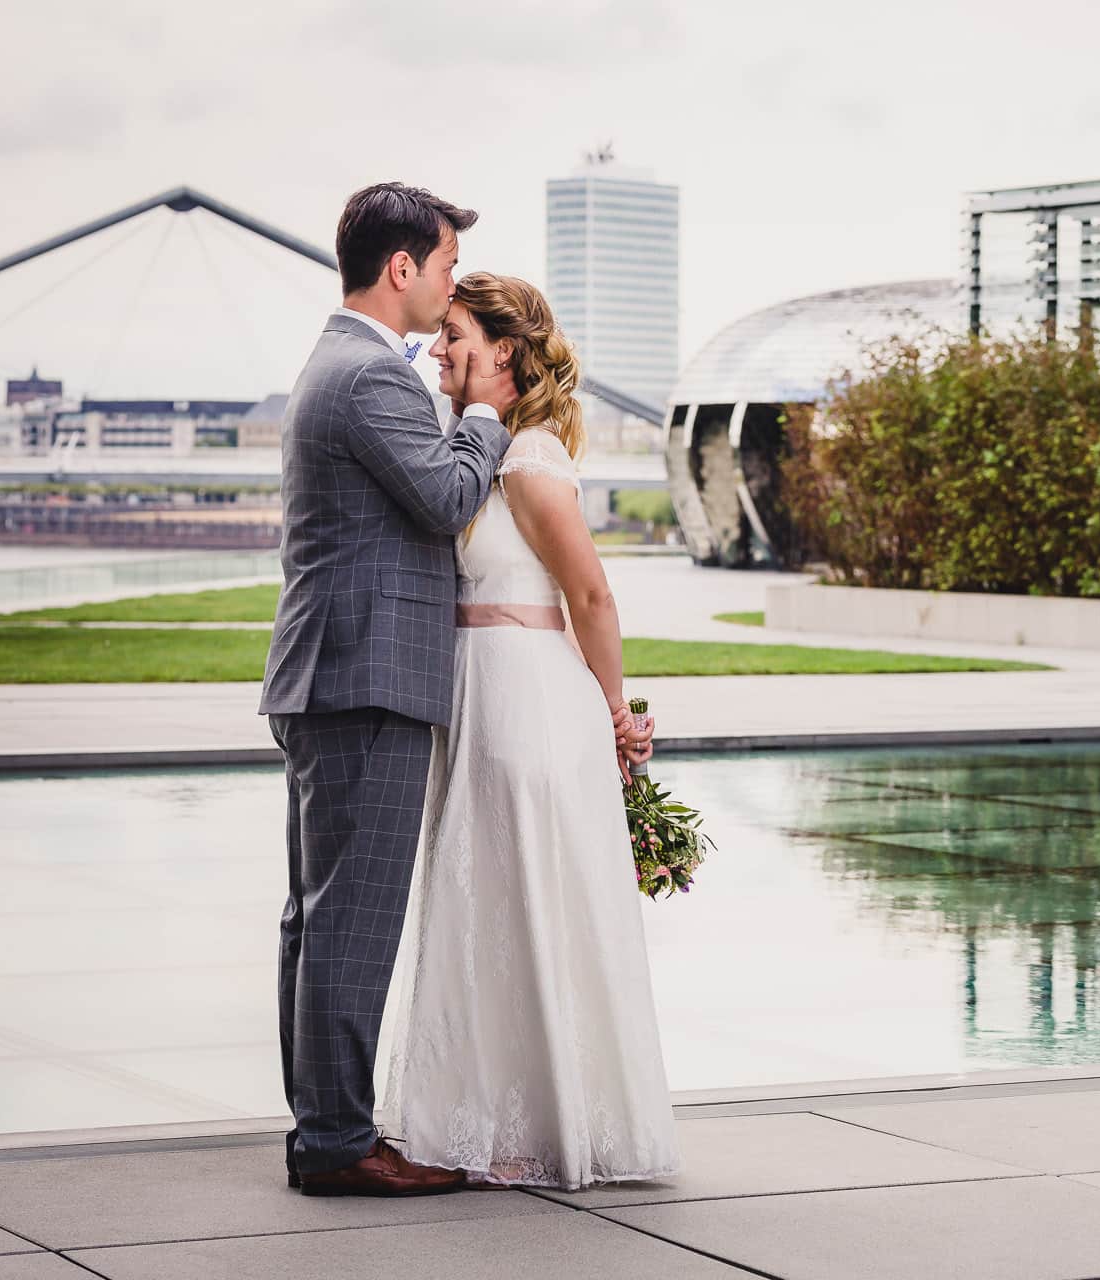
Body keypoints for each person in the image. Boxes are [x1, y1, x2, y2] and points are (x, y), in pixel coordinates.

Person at [261, 183, 608, 1196]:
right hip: (364, 677)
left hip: (343, 672)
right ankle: (336, 1141)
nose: (452, 284)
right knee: (349, 920)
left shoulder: (350, 367)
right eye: (448, 265)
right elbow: (451, 493)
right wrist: (492, 412)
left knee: (322, 917)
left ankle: (328, 1127)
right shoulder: (369, 379)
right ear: (402, 268)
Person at [380, 271, 681, 1190]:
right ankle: (490, 1114)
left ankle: (550, 1123)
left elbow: (590, 594)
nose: (438, 346)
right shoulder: (477, 448)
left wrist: (616, 713)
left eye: (457, 335)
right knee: (485, 903)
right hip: (476, 695)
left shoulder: (528, 461)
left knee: (527, 899)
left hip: (524, 698)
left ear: (504, 351)